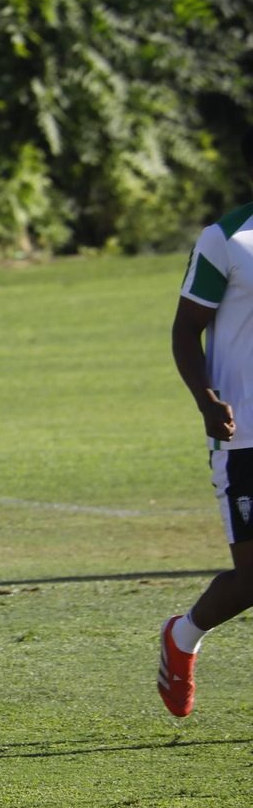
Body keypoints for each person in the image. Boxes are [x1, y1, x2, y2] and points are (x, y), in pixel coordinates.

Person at [159, 130, 253, 717]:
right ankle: (183, 635)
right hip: (244, 437)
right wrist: (206, 399)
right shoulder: (226, 239)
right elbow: (184, 329)